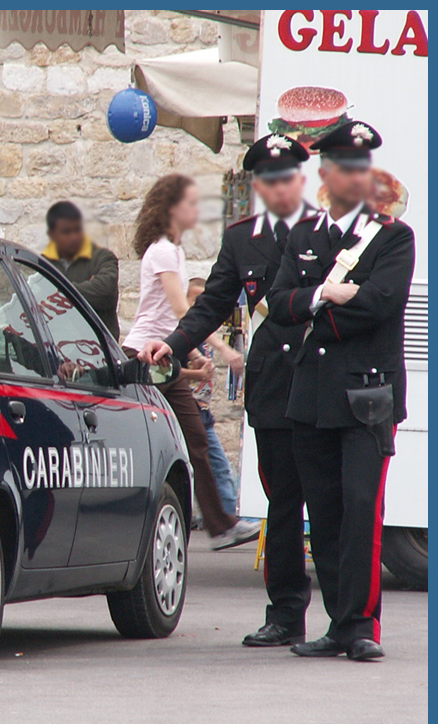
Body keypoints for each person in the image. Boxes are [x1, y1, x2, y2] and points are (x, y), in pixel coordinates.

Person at [138, 133, 316, 647]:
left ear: (300, 181)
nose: (279, 186)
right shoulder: (242, 238)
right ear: (259, 185)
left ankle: (350, 623)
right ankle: (285, 615)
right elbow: (212, 302)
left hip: (323, 385)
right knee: (283, 505)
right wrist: (172, 344)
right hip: (274, 389)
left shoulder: (326, 231)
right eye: (269, 179)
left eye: (287, 178)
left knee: (332, 506)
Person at [267, 121, 414, 661]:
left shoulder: (394, 236)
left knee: (360, 511)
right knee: (324, 515)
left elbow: (380, 304)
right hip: (311, 398)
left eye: (361, 167)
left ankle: (361, 627)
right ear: (324, 173)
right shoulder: (304, 237)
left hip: (366, 399)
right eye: (342, 166)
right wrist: (324, 295)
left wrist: (325, 302)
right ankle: (337, 623)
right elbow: (279, 307)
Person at [123, 175, 258, 550]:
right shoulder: (163, 250)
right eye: (191, 203)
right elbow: (183, 309)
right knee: (184, 440)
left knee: (193, 440)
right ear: (171, 209)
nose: (197, 210)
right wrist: (223, 348)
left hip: (162, 356)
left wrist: (194, 351)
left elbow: (169, 316)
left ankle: (220, 524)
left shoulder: (173, 251)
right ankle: (219, 524)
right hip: (145, 357)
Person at [181, 278, 238, 517]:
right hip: (188, 408)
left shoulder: (204, 339)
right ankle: (224, 517)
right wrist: (198, 372)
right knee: (216, 465)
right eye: (194, 300)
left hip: (202, 410)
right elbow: (171, 373)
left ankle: (218, 515)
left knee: (212, 465)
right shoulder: (182, 336)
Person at [42, 201, 120, 340]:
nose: (73, 237)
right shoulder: (42, 264)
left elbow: (105, 291)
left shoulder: (103, 257)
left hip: (98, 349)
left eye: (77, 230)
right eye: (66, 232)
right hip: (59, 349)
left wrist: (54, 291)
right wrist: (85, 288)